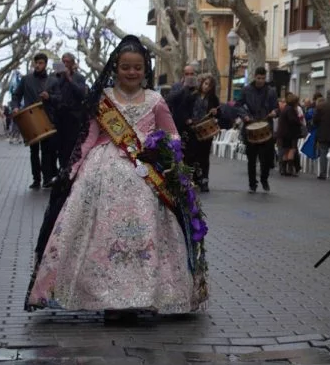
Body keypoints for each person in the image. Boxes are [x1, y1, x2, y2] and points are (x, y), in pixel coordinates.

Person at [25, 35, 208, 319]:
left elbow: (172, 134)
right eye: (125, 67)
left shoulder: (156, 100)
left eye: (137, 67)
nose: (131, 72)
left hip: (146, 173)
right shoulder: (103, 100)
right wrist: (73, 170)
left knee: (147, 230)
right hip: (102, 174)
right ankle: (107, 297)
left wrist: (166, 156)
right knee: (102, 232)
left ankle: (144, 295)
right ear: (116, 68)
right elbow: (89, 139)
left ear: (145, 69)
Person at [11, 53, 59, 189]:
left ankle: (47, 178)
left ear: (45, 64)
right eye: (36, 63)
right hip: (30, 120)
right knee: (33, 151)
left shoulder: (53, 80)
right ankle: (36, 179)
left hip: (47, 120)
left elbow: (59, 99)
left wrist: (49, 97)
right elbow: (16, 95)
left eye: (41, 63)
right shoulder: (26, 79)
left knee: (46, 151)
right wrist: (15, 107)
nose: (38, 65)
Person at [238, 67, 279, 193]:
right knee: (251, 159)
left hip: (266, 127)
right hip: (251, 126)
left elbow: (276, 108)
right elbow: (238, 105)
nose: (261, 80)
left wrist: (274, 112)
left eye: (263, 78)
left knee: (266, 159)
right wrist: (244, 115)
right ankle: (252, 184)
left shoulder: (271, 91)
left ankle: (264, 179)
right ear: (254, 77)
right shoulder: (246, 90)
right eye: (258, 78)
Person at [176, 74, 220, 192]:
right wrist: (187, 119)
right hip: (192, 129)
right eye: (206, 84)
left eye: (210, 86)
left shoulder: (213, 99)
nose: (207, 87)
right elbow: (183, 110)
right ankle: (192, 179)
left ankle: (204, 180)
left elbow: (219, 113)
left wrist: (215, 112)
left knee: (204, 157)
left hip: (205, 131)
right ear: (202, 84)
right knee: (191, 156)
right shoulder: (192, 96)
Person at [47, 63, 87, 170]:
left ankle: (71, 169)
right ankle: (60, 170)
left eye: (67, 62)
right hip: (58, 117)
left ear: (72, 63)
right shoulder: (54, 78)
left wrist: (69, 79)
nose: (64, 65)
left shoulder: (79, 77)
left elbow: (82, 94)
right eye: (63, 62)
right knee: (58, 146)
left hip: (74, 117)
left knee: (71, 146)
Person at [276, 93, 302, 176]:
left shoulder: (285, 109)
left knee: (285, 151)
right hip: (289, 133)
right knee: (291, 150)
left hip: (283, 133)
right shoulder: (291, 110)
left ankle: (283, 169)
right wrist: (299, 121)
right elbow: (292, 120)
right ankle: (289, 169)